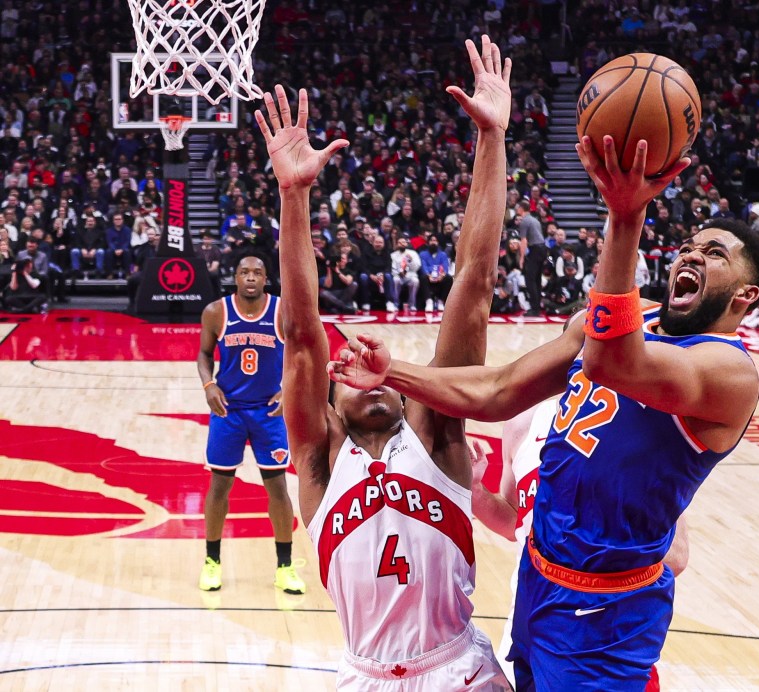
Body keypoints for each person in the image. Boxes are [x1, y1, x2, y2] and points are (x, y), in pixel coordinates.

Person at [332, 136, 759, 690]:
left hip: (606, 610)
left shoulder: (729, 372)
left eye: (715, 254)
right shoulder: (623, 320)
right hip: (538, 578)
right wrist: (391, 373)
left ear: (744, 296)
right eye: (689, 246)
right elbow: (499, 389)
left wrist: (624, 216)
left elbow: (612, 360)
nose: (692, 255)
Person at [256, 36, 513, 689]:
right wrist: (294, 197)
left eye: (375, 368)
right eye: (347, 369)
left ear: (403, 391)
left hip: (457, 668)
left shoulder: (435, 433)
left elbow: (474, 282)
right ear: (330, 404)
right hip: (363, 675)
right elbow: (302, 336)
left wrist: (492, 140)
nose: (363, 373)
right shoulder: (319, 462)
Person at [470, 395, 690, 689]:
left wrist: (584, 556)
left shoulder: (644, 424)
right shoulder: (523, 422)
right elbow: (515, 521)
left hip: (602, 637)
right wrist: (476, 492)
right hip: (528, 622)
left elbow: (677, 556)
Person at [196, 255, 303, 596]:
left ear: (266, 278)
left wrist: (289, 389)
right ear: (236, 277)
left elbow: (302, 354)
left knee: (278, 488)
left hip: (268, 413)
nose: (251, 277)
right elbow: (204, 354)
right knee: (219, 486)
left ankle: (285, 567)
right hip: (228, 411)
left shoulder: (282, 311)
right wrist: (208, 385)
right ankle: (212, 561)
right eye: (245, 272)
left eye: (257, 272)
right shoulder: (216, 311)